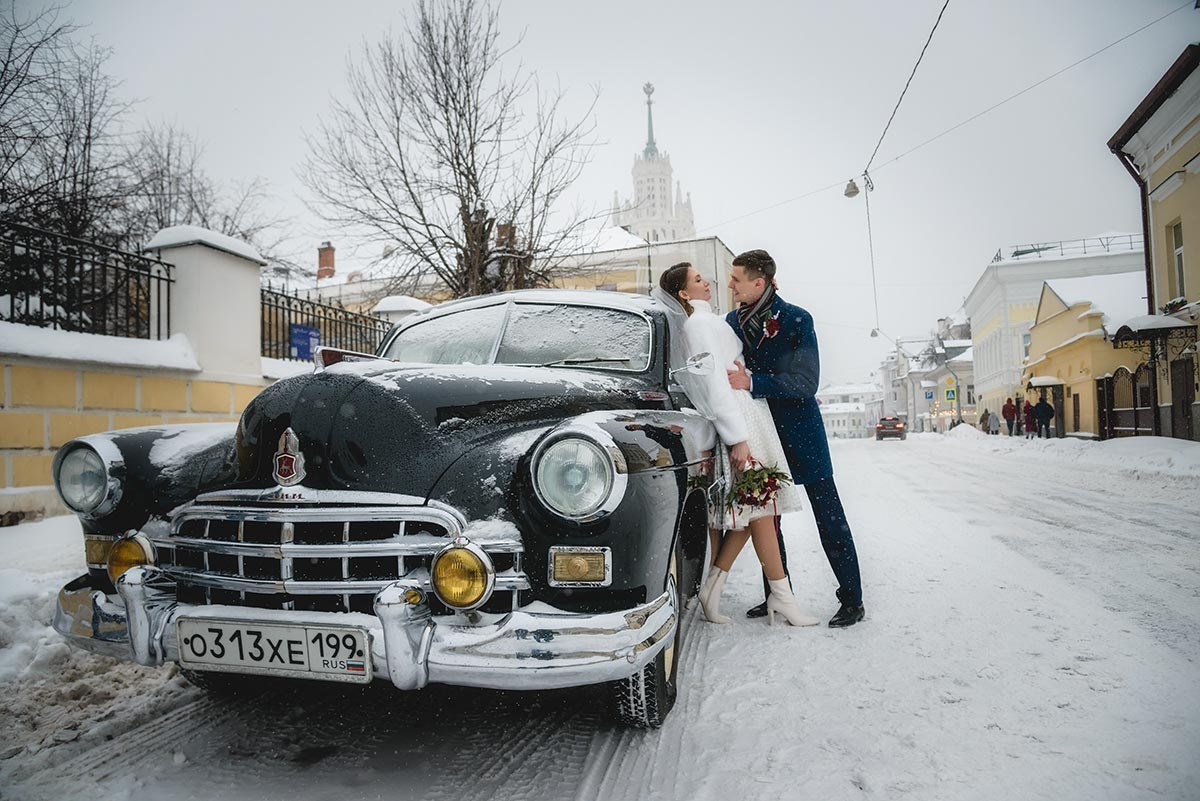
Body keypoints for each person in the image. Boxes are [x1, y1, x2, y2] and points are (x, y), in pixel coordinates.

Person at [653, 263, 817, 627]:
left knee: (758, 509)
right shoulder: (697, 325)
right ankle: (779, 597)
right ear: (683, 293)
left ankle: (725, 586)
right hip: (739, 418)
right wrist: (736, 437)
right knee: (760, 507)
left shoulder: (710, 320)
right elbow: (711, 383)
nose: (707, 281)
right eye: (697, 280)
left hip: (749, 412)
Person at [724, 249, 865, 628]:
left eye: (736, 279)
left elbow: (806, 383)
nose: (730, 285)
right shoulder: (730, 323)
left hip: (802, 433)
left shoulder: (797, 319)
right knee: (767, 519)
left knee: (829, 518)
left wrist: (753, 382)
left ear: (760, 281)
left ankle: (852, 598)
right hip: (760, 435)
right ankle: (777, 595)